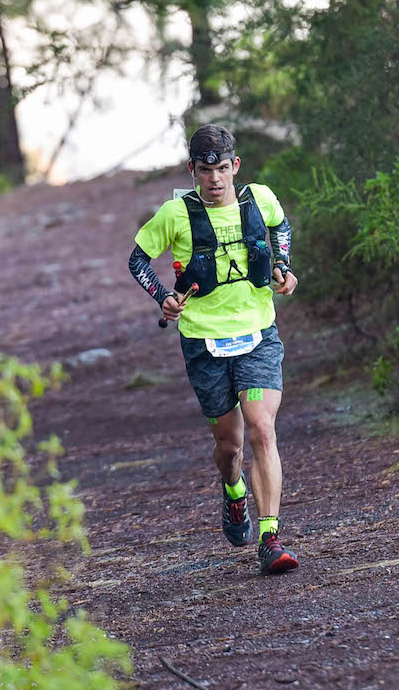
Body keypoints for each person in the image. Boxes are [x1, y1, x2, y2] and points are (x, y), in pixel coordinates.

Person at [128, 124, 300, 574]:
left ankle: (270, 538)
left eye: (222, 168)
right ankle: (233, 490)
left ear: (235, 166)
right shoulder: (175, 214)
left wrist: (283, 265)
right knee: (229, 447)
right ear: (192, 170)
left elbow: (280, 228)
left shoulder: (260, 199)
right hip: (204, 343)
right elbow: (138, 259)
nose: (215, 179)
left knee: (261, 428)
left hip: (258, 335)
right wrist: (162, 296)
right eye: (205, 171)